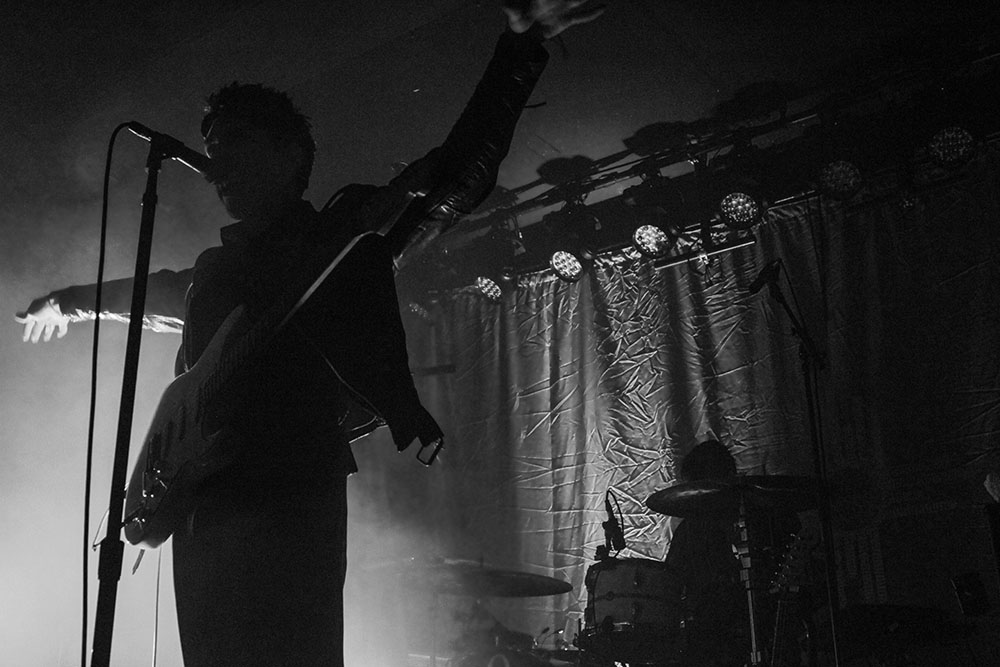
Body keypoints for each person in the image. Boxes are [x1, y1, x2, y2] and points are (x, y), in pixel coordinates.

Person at [14, 3, 604, 665]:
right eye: (211, 150)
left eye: (234, 142)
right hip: (205, 506)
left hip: (291, 489)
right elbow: (150, 295)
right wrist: (70, 302)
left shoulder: (335, 238)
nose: (217, 164)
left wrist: (521, 46)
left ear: (289, 153)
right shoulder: (215, 271)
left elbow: (452, 178)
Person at [664, 440, 802, 667]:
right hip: (711, 636)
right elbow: (670, 584)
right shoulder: (690, 531)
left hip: (766, 625)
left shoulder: (769, 517)